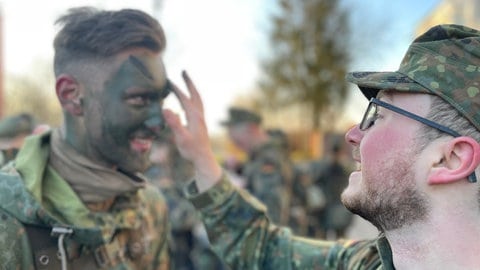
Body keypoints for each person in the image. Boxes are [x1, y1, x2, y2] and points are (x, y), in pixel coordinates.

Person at [164, 24, 480, 269]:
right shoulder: (367, 262)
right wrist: (202, 157)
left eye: (379, 115)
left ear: (450, 159)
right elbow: (261, 248)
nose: (353, 134)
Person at [0, 7, 172, 269]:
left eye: (160, 99)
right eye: (139, 98)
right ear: (71, 95)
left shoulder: (150, 206)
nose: (159, 123)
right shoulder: (7, 223)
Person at [220, 107, 295, 225]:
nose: (238, 147)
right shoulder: (260, 155)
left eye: (239, 142)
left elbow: (270, 215)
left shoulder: (268, 159)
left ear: (252, 129)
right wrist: (239, 169)